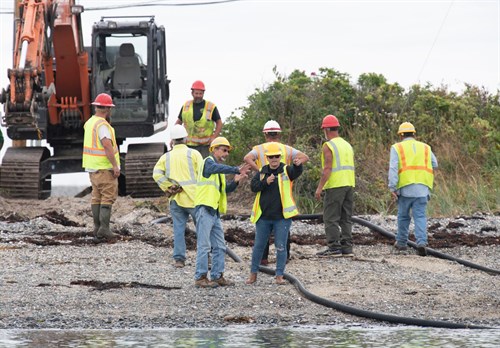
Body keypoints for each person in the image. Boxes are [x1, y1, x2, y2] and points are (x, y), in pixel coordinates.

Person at [243, 120, 309, 264]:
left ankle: (263, 258)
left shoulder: (259, 149)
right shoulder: (286, 149)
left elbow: (247, 158)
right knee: (283, 223)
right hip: (284, 190)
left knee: (264, 223)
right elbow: (305, 157)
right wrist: (295, 165)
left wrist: (259, 170)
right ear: (278, 134)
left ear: (265, 134)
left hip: (265, 186)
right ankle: (284, 257)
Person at [194, 137, 251, 288]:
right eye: (224, 150)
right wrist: (235, 169)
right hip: (204, 209)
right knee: (204, 246)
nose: (226, 153)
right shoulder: (208, 163)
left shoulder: (218, 170)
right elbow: (214, 168)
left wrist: (236, 181)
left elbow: (225, 190)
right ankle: (200, 277)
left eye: (227, 151)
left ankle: (217, 276)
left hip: (214, 212)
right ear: (214, 149)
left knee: (219, 246)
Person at [246, 142, 303, 285]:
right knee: (258, 246)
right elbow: (253, 187)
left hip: (281, 218)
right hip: (263, 218)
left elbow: (296, 172)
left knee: (281, 246)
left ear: (280, 157)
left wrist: (297, 164)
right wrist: (266, 182)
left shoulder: (286, 170)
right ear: (267, 158)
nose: (274, 159)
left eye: (277, 156)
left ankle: (279, 276)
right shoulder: (261, 172)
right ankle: (253, 274)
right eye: (271, 157)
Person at [153, 124, 203, 268]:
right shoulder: (194, 154)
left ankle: (179, 259)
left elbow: (156, 174)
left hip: (175, 199)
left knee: (178, 229)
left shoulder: (166, 157)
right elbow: (202, 174)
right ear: (186, 138)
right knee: (202, 229)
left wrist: (168, 186)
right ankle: (205, 257)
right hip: (195, 198)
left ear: (172, 141)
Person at [389, 122, 438, 257]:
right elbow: (435, 163)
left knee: (403, 216)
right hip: (422, 188)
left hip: (405, 188)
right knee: (420, 216)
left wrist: (392, 186)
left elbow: (393, 168)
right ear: (414, 134)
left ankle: (401, 243)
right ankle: (421, 243)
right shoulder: (425, 147)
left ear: (401, 135)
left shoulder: (397, 147)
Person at [315, 114, 355, 257]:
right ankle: (347, 248)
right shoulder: (347, 145)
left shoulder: (329, 146)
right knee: (346, 217)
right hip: (349, 184)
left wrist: (319, 188)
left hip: (335, 185)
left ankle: (334, 248)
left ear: (326, 130)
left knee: (331, 217)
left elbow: (327, 169)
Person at [82, 93, 120, 241]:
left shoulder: (90, 122)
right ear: (108, 109)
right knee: (107, 197)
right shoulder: (103, 126)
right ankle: (104, 228)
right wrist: (115, 165)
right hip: (104, 168)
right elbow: (107, 145)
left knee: (96, 197)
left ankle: (97, 228)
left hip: (92, 168)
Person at [175, 80, 223, 158]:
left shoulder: (211, 107)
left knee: (203, 166)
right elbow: (178, 122)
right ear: (192, 93)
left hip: (205, 146)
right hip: (188, 145)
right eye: (196, 93)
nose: (198, 95)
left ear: (203, 94)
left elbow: (219, 123)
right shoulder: (186, 106)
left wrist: (214, 137)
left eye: (200, 93)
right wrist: (174, 137)